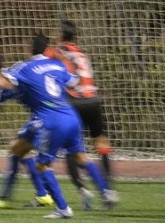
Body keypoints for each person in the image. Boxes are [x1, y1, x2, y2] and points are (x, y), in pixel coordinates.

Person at [0, 34, 118, 219]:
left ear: (30, 48)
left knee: (42, 164)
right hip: (71, 116)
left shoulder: (24, 67)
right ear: (47, 49)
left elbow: (6, 83)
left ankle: (61, 207)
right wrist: (62, 61)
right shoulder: (57, 64)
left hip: (49, 119)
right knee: (77, 156)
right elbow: (74, 82)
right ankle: (106, 191)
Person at [45, 20, 114, 210]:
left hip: (75, 102)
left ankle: (83, 191)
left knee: (72, 149)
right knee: (102, 144)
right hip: (93, 100)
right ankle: (108, 189)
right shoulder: (82, 52)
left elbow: (44, 67)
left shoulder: (55, 51)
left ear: (60, 35)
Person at [0, 52, 54, 209]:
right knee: (20, 152)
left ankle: (10, 198)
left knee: (23, 154)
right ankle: (42, 195)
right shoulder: (14, 70)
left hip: (43, 116)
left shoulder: (3, 83)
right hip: (43, 114)